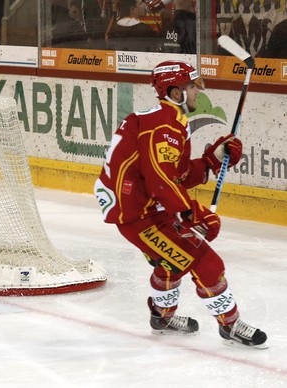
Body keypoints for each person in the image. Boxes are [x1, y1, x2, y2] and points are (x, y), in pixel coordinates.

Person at [94, 61, 268, 348]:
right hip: (138, 214)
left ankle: (162, 316)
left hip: (141, 206)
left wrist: (212, 159)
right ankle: (231, 325)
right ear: (175, 92)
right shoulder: (165, 124)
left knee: (173, 260)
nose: (196, 92)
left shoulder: (165, 119)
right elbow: (160, 180)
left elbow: (175, 175)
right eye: (190, 87)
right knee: (205, 260)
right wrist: (190, 212)